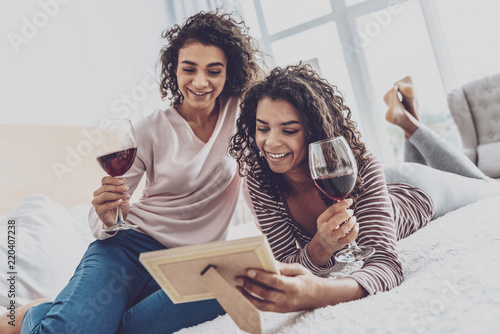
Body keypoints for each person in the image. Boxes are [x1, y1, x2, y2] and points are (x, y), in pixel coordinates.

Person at [0, 11, 265, 334]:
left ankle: (51, 310)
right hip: (128, 252)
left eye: (213, 70)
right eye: (189, 68)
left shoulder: (241, 115)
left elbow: (259, 184)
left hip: (191, 266)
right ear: (174, 69)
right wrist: (108, 214)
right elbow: (105, 220)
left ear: (229, 73)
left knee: (158, 318)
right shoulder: (151, 128)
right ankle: (35, 315)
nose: (200, 81)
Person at [229, 65, 500, 312]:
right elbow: (287, 260)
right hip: (383, 183)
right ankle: (407, 114)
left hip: (413, 190)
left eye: (289, 131)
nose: (271, 143)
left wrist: (318, 292)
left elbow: (386, 265)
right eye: (262, 128)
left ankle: (408, 122)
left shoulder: (357, 162)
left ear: (312, 131)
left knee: (486, 187)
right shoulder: (260, 180)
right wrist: (320, 247)